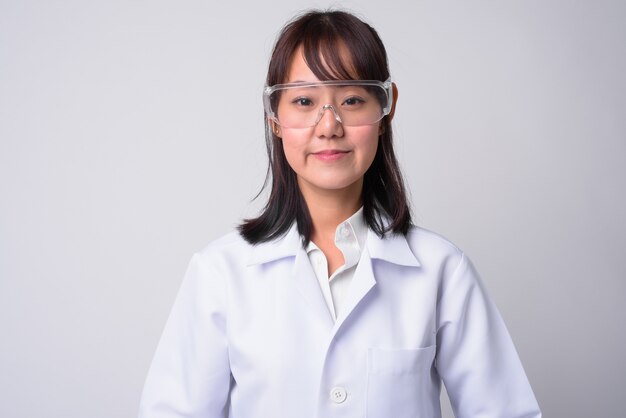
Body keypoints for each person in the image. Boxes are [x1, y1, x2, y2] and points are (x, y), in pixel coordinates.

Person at [138, 10, 541, 418]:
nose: (328, 126)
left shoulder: (441, 270)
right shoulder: (220, 273)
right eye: (303, 101)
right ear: (274, 117)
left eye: (351, 100)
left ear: (387, 109)